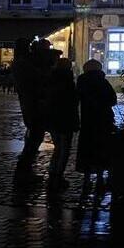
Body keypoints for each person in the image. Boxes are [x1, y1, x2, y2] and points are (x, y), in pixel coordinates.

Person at [76, 59, 117, 195]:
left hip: (88, 121)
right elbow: (113, 99)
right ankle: (100, 178)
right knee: (101, 148)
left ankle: (87, 179)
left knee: (87, 149)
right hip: (103, 121)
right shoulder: (102, 82)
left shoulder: (81, 82)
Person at [47, 57, 80, 191]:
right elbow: (72, 101)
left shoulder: (51, 79)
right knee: (64, 148)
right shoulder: (67, 81)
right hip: (65, 118)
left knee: (58, 147)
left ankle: (53, 171)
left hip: (53, 118)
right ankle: (58, 173)